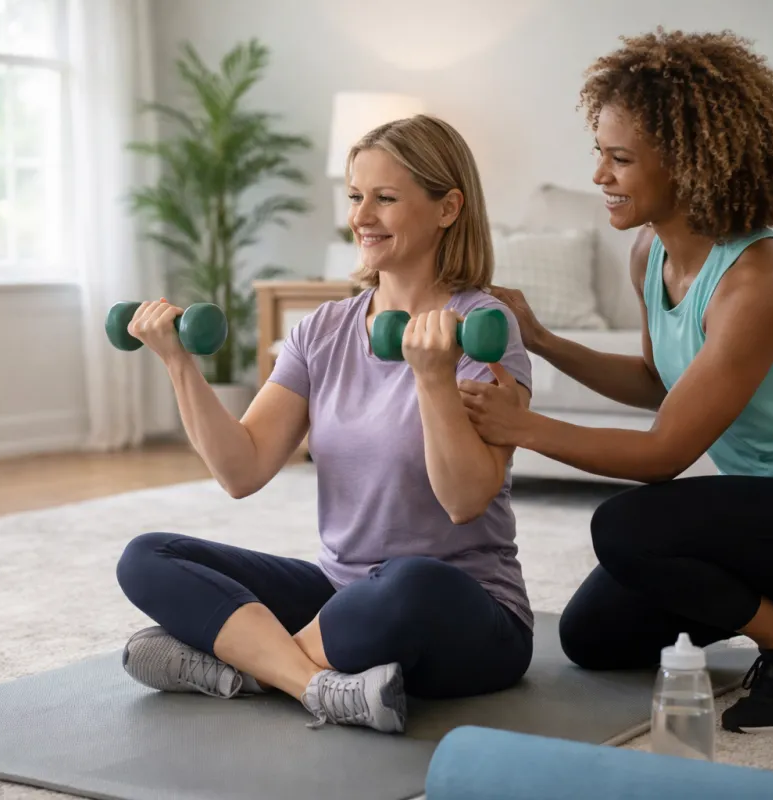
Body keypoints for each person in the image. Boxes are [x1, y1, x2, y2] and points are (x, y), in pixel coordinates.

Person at [459, 29, 773, 735]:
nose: (599, 177)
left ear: (689, 163)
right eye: (600, 154)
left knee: (625, 526)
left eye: (620, 159)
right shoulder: (651, 253)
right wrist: (545, 341)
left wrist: (522, 427)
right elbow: (658, 380)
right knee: (594, 638)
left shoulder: (761, 278)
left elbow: (661, 457)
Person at [115, 114, 535, 735]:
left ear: (448, 208)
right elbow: (243, 469)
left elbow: (466, 500)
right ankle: (315, 685)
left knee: (409, 582)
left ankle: (239, 660)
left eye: (386, 198)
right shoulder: (323, 329)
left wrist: (433, 379)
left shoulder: (485, 332)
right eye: (356, 197)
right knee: (148, 557)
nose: (362, 216)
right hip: (339, 596)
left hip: (461, 610)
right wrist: (179, 363)